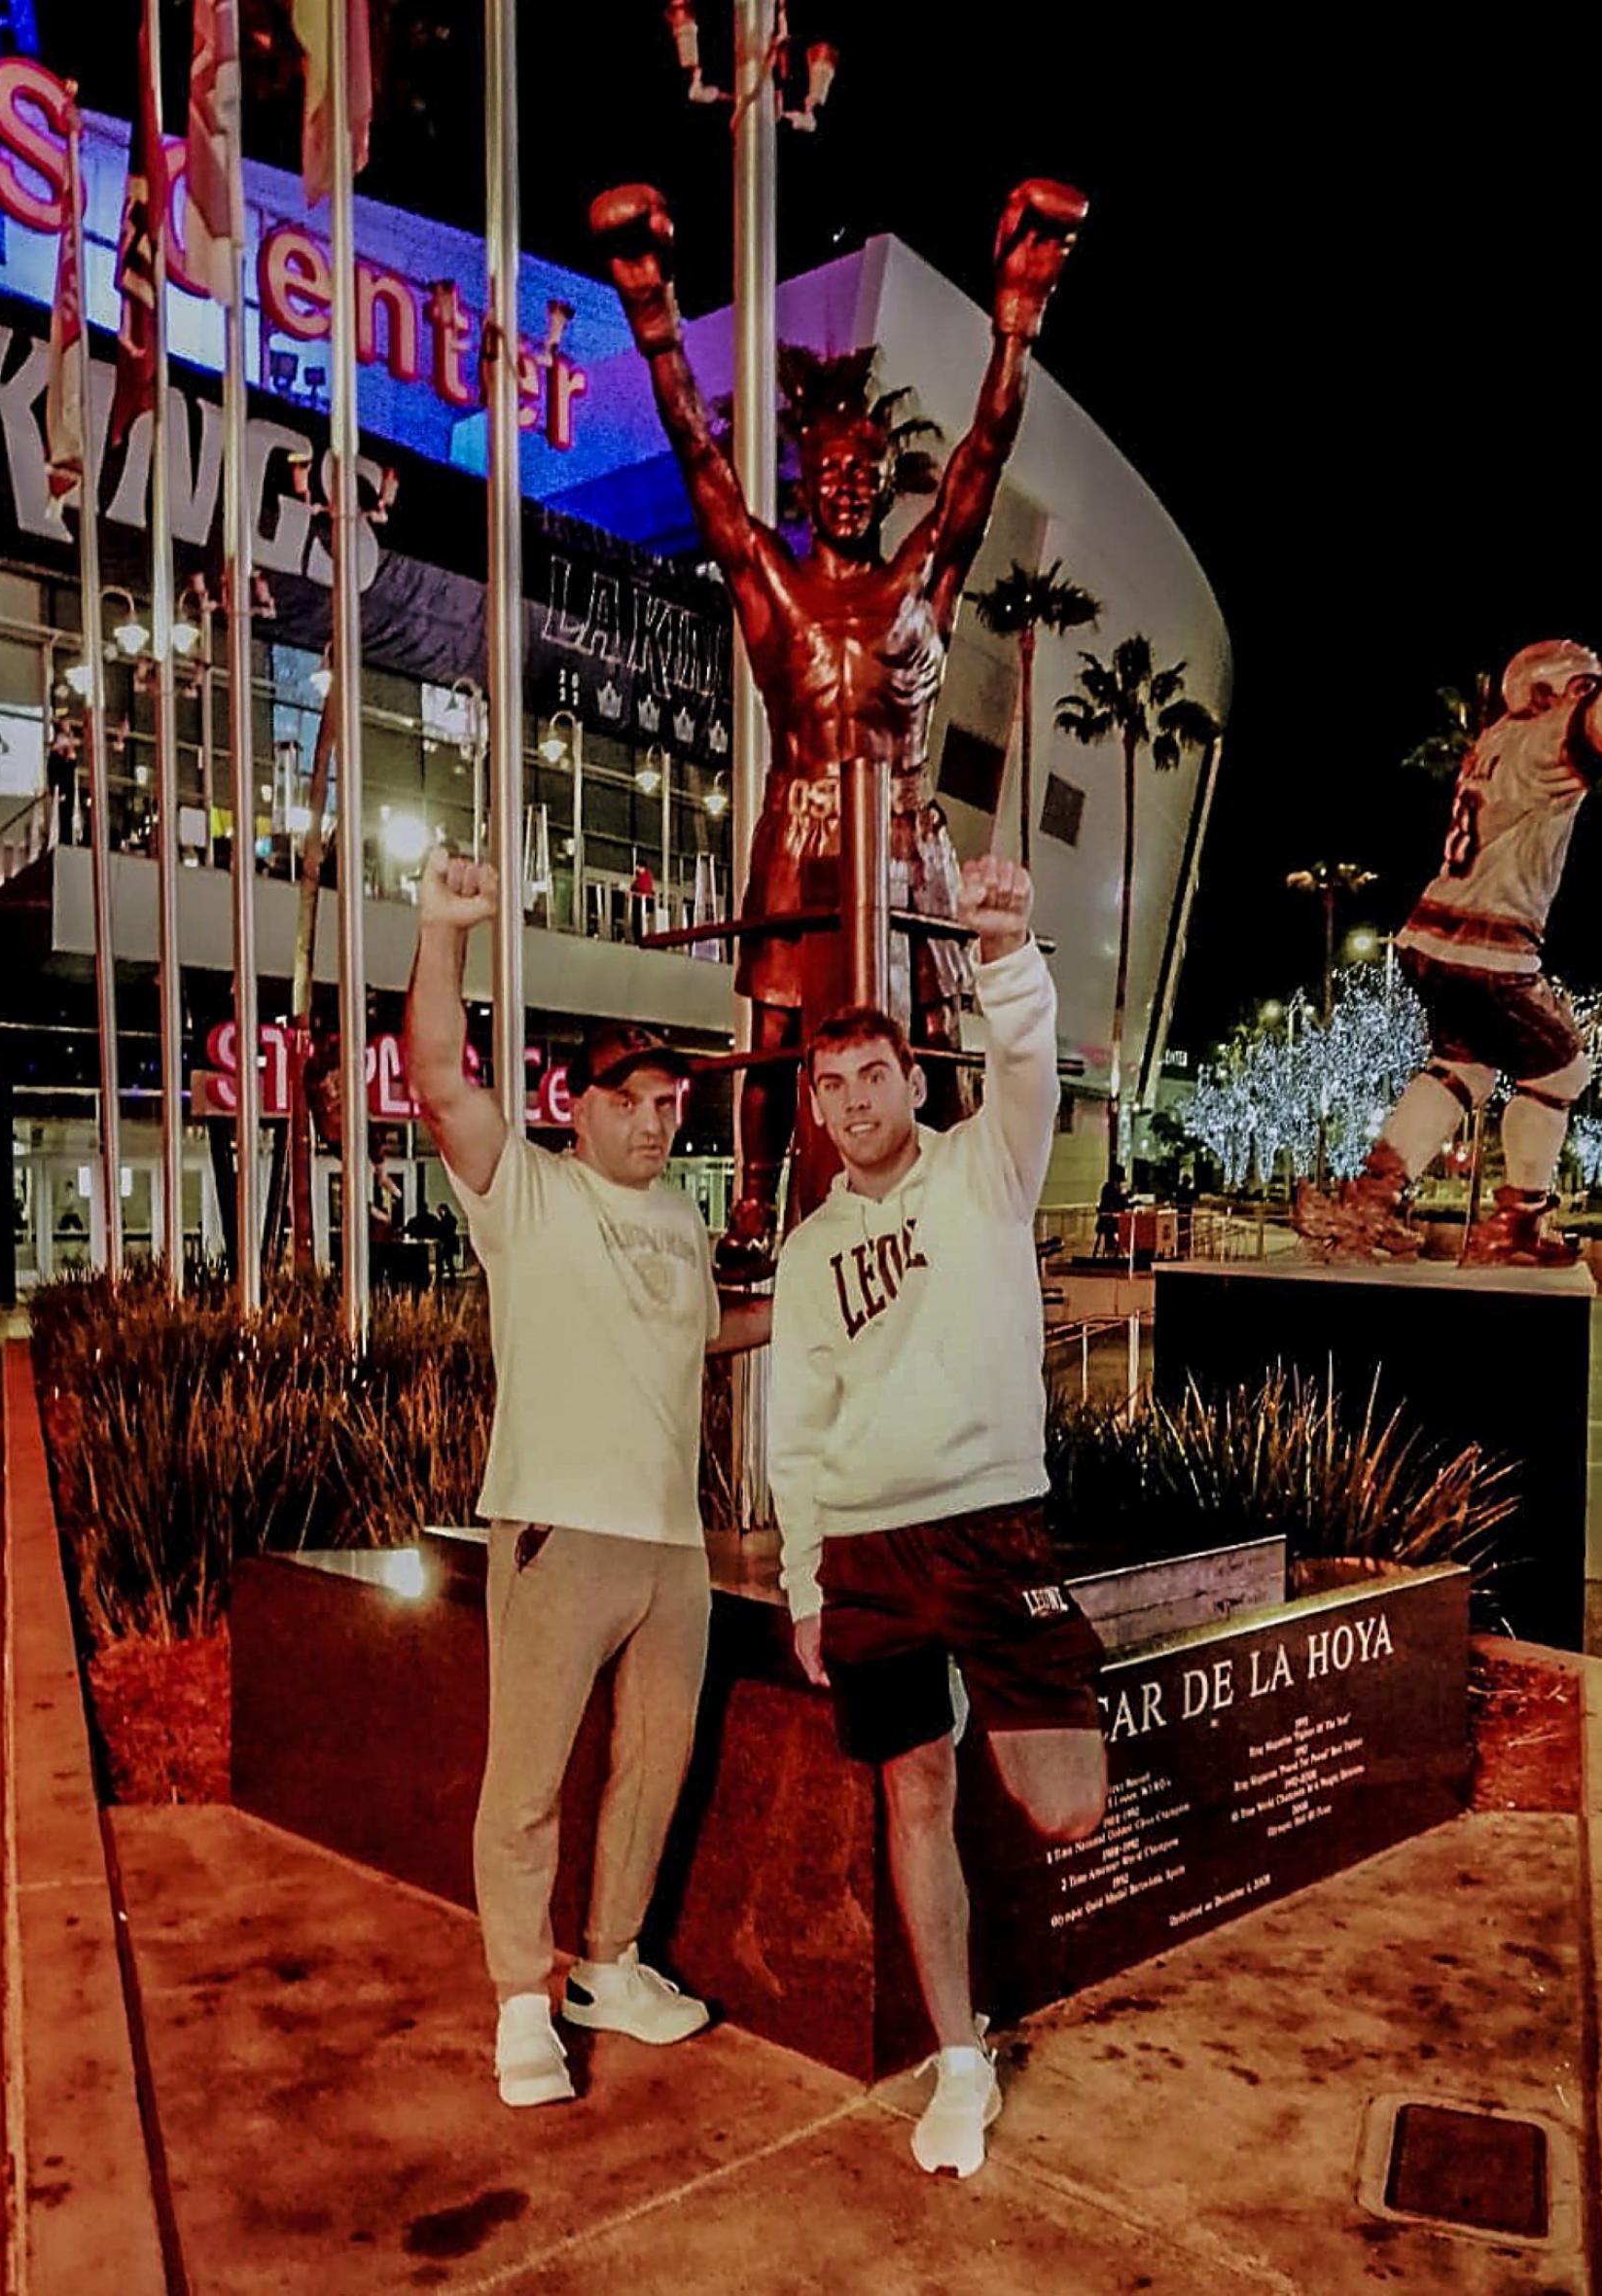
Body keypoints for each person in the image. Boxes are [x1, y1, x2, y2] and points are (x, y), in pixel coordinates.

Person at [593, 175, 1086, 1278]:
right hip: (799, 827)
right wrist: (655, 319)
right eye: (831, 472)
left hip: (909, 830)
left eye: (867, 471)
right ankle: (754, 1210)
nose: (852, 486)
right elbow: (699, 460)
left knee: (943, 1037)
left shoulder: (920, 584)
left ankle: (974, 1206)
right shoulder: (770, 582)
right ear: (808, 485)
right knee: (772, 1041)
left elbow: (981, 462)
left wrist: (1017, 319)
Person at [404, 845, 769, 2112]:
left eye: (671, 1103)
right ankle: (520, 1998)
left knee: (652, 1762)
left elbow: (695, 1334)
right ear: (582, 1106)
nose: (658, 1120)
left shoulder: (676, 1219)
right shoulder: (530, 1195)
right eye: (634, 1100)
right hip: (560, 1528)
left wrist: (799, 1315)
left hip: (674, 1547)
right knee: (530, 1776)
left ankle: (608, 1966)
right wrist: (444, 927)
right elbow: (442, 1081)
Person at [766, 853, 1107, 2180]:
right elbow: (790, 1428)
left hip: (990, 1533)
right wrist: (804, 1584)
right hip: (862, 1551)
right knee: (914, 1790)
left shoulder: (985, 1172)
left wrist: (1009, 953)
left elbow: (1032, 1072)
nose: (855, 1104)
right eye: (832, 1086)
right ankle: (958, 2058)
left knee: (1066, 1808)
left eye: (876, 1079)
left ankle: (1008, 1697)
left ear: (915, 1081)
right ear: (816, 1103)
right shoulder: (807, 1254)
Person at [1301, 618, 1602, 1263]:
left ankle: (1372, 1196)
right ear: (1546, 695)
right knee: (1564, 1069)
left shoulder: (1495, 742)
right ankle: (1516, 1222)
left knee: (1464, 1067)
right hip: (1486, 944)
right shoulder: (1542, 739)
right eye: (1577, 687)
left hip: (1434, 936)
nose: (1585, 696)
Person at [1093, 1171, 1126, 1259]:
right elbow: (1114, 1203)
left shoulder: (1115, 1188)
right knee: (1118, 1227)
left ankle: (1118, 1248)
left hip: (1112, 1219)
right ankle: (1113, 1249)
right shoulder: (1109, 1188)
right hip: (1107, 1222)